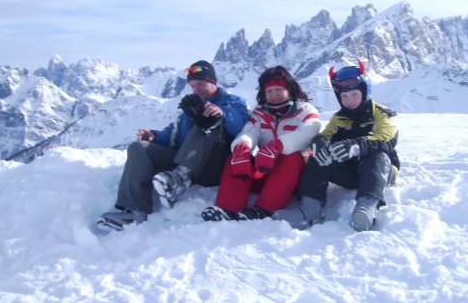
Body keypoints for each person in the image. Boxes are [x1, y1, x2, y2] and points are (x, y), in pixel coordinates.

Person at [95, 60, 249, 232]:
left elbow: (241, 124)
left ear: (213, 82)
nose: (196, 89)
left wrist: (221, 113)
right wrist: (154, 136)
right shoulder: (191, 107)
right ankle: (135, 211)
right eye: (192, 86)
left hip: (214, 167)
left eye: (200, 84)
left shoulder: (233, 102)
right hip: (187, 160)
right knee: (139, 148)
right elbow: (173, 135)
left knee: (207, 122)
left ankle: (180, 179)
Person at [273, 61, 399, 231]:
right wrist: (319, 143)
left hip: (381, 173)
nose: (349, 101)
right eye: (344, 97)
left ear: (364, 92)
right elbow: (325, 135)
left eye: (354, 95)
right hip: (351, 173)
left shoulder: (380, 114)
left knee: (378, 156)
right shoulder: (339, 118)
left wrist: (357, 145)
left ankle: (366, 209)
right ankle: (310, 211)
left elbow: (387, 139)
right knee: (318, 156)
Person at [201, 66, 321, 221]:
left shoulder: (305, 110)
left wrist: (276, 146)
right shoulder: (260, 113)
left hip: (297, 179)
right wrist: (242, 148)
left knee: (291, 157)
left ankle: (265, 209)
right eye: (269, 91)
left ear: (289, 89)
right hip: (267, 172)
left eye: (278, 90)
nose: (274, 95)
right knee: (236, 158)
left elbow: (309, 132)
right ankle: (227, 208)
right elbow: (248, 133)